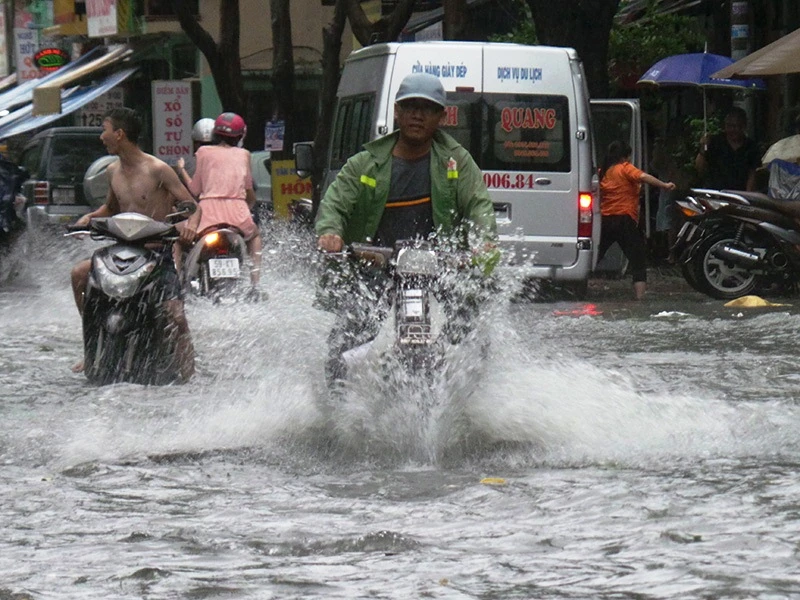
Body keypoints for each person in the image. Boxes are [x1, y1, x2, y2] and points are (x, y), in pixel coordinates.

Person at [314, 72, 497, 381]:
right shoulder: (366, 162)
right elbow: (335, 202)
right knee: (348, 338)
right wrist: (330, 232)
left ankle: (469, 391)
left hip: (438, 267)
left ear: (441, 116)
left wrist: (484, 241)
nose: (417, 114)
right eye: (410, 106)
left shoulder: (457, 162)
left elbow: (479, 205)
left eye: (427, 108)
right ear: (397, 112)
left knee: (472, 328)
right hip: (377, 264)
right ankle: (337, 396)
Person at [70, 107, 202, 381]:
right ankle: (92, 346)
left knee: (175, 315)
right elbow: (110, 207)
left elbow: (191, 206)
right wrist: (89, 218)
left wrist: (189, 226)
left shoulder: (158, 169)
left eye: (104, 130)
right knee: (79, 274)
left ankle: (189, 373)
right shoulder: (111, 171)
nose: (101, 137)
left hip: (155, 252)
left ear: (119, 134)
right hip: (119, 249)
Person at [177, 112, 263, 295]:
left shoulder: (203, 152)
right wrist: (245, 208)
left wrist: (181, 169)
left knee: (179, 240)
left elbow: (194, 190)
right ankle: (255, 285)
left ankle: (176, 284)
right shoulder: (245, 154)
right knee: (255, 237)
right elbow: (249, 191)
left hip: (207, 214)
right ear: (240, 136)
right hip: (238, 214)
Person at [599, 140, 675, 300]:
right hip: (624, 220)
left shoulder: (603, 171)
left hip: (606, 220)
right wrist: (664, 185)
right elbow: (644, 176)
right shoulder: (624, 168)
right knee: (638, 259)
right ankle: (640, 298)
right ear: (625, 157)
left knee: (596, 255)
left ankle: (573, 284)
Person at [695, 106, 760, 191]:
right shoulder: (715, 142)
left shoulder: (751, 147)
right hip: (716, 193)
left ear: (744, 126)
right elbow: (700, 170)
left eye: (738, 126)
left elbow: (752, 175)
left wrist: (748, 197)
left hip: (740, 195)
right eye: (730, 126)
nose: (734, 129)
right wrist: (702, 149)